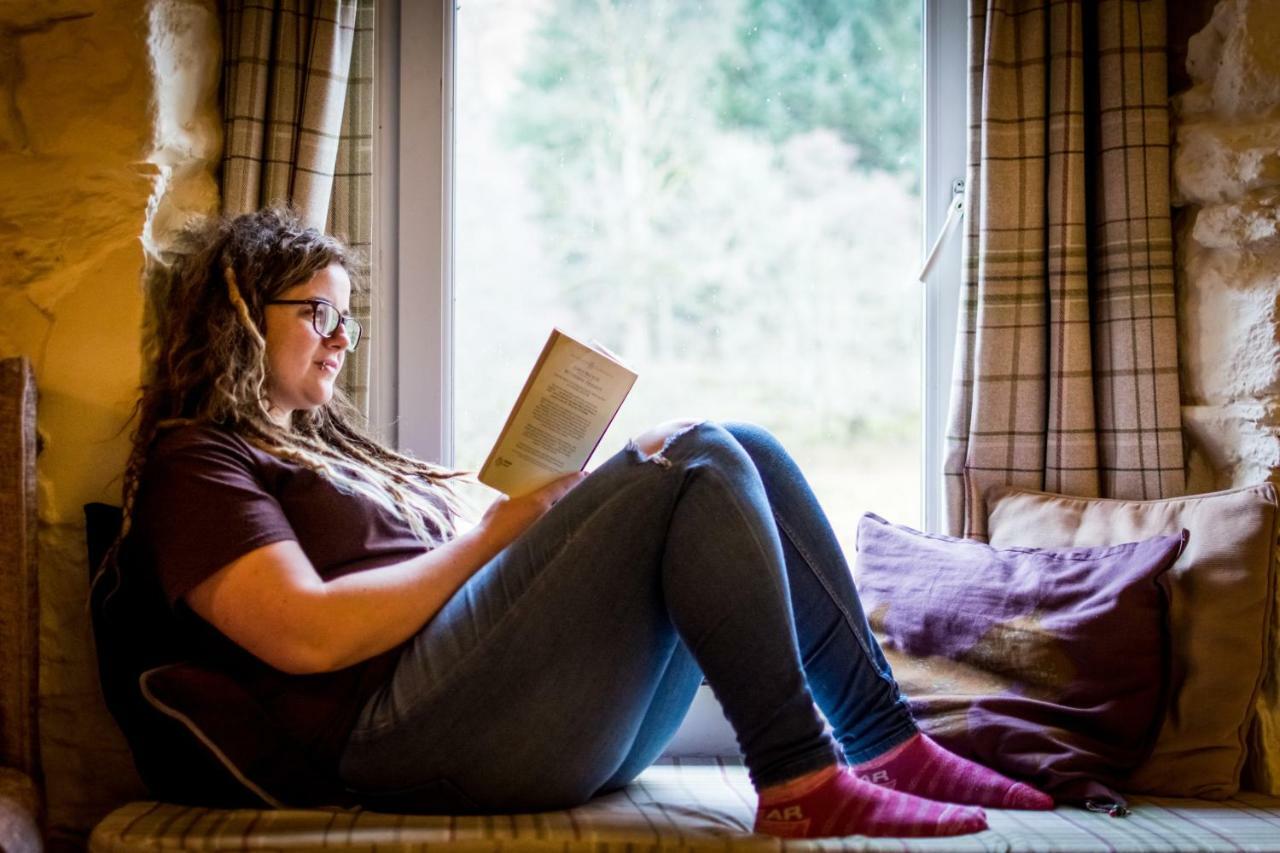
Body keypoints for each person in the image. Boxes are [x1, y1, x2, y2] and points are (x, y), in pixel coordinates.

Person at [111, 207, 1052, 840]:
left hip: (513, 720)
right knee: (691, 454)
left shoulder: (331, 451)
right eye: (320, 313)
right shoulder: (200, 460)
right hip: (408, 741)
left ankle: (888, 743)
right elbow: (304, 631)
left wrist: (517, 526)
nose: (341, 339)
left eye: (348, 320)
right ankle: (801, 779)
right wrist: (493, 538)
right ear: (239, 313)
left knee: (744, 448)